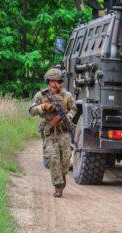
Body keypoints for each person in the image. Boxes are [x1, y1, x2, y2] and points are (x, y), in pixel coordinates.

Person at [29, 68, 77, 197]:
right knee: (54, 158)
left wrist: (70, 116)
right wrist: (43, 107)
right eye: (58, 81)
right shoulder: (41, 95)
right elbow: (31, 111)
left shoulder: (67, 95)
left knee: (66, 159)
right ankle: (58, 186)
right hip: (49, 131)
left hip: (64, 131)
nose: (60, 83)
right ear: (50, 82)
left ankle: (61, 176)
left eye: (61, 81)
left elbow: (74, 108)